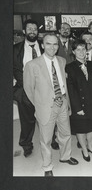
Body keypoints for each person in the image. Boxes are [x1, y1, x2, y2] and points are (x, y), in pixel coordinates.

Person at [23, 33, 78, 177]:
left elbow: (64, 83)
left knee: (65, 133)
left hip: (63, 102)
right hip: (46, 106)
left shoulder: (61, 61)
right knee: (46, 139)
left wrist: (66, 102)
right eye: (48, 43)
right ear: (42, 45)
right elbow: (29, 90)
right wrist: (40, 104)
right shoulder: (32, 65)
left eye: (55, 44)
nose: (52, 47)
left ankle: (65, 156)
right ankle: (47, 166)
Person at [66, 39, 92, 162]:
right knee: (81, 128)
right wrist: (77, 108)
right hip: (80, 104)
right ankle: (84, 149)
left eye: (83, 49)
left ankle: (91, 146)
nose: (81, 52)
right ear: (73, 51)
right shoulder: (69, 68)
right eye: (78, 49)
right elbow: (71, 90)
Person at [13, 19, 44, 157]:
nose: (32, 31)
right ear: (24, 31)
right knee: (27, 121)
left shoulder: (45, 47)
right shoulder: (15, 49)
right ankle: (26, 145)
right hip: (24, 91)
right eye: (29, 29)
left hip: (44, 90)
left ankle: (52, 140)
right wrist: (28, 86)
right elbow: (15, 70)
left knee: (47, 118)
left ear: (38, 32)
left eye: (35, 29)